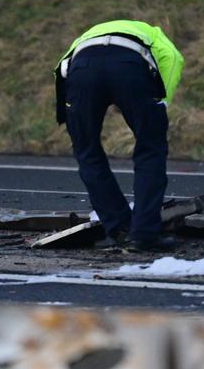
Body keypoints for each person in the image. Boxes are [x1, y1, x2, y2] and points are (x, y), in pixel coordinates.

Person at [55, 20, 184, 251]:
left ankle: (120, 229)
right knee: (150, 148)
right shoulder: (152, 33)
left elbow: (62, 68)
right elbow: (173, 58)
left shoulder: (84, 37)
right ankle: (144, 235)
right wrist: (161, 101)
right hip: (129, 66)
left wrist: (66, 111)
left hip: (82, 70)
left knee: (86, 151)